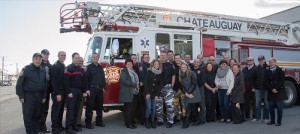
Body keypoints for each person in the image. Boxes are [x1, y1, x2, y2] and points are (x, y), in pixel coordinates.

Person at [16, 53, 47, 134]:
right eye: (36, 59)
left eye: (39, 59)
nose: (38, 60)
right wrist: (21, 96)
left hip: (39, 96)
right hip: (28, 96)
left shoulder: (42, 70)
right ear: (33, 59)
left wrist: (44, 96)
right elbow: (19, 84)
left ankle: (35, 131)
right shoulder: (26, 69)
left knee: (37, 116)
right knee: (28, 117)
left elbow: (44, 85)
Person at [64, 53, 85, 133]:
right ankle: (68, 128)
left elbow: (82, 81)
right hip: (72, 91)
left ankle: (74, 125)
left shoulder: (80, 69)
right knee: (71, 110)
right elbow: (66, 81)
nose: (78, 59)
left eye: (78, 58)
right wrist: (69, 92)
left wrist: (83, 91)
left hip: (79, 91)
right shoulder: (69, 68)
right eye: (76, 58)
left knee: (76, 109)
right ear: (72, 58)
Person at [85, 53, 106, 129]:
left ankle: (99, 122)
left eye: (96, 57)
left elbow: (103, 78)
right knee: (89, 107)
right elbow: (86, 79)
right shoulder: (88, 67)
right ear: (92, 58)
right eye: (94, 57)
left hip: (100, 89)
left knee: (100, 106)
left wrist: (103, 87)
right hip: (92, 89)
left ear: (98, 58)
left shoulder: (100, 67)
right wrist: (87, 89)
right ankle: (88, 123)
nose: (95, 58)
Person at [179, 62, 201, 129]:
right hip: (186, 92)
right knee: (189, 106)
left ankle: (186, 123)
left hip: (193, 91)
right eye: (182, 67)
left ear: (187, 67)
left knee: (190, 106)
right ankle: (197, 120)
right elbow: (181, 86)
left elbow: (194, 83)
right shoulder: (179, 75)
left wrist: (189, 92)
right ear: (180, 68)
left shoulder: (192, 73)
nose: (183, 68)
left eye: (185, 67)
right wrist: (186, 93)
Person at [156, 51, 175, 128]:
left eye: (164, 55)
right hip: (158, 88)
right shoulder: (157, 65)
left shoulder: (170, 65)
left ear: (166, 56)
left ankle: (170, 121)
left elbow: (173, 75)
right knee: (158, 105)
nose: (163, 56)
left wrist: (172, 85)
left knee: (169, 105)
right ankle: (160, 120)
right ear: (159, 56)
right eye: (161, 55)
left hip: (168, 87)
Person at [266, 58, 287, 126]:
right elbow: (266, 82)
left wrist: (276, 88)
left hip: (279, 90)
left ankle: (279, 121)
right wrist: (272, 89)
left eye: (273, 62)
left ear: (275, 62)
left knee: (279, 107)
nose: (271, 63)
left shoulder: (280, 70)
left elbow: (282, 81)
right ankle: (272, 121)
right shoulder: (268, 71)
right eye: (270, 62)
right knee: (271, 107)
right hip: (271, 91)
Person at [119, 59, 139, 129]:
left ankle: (132, 122)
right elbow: (124, 81)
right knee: (128, 109)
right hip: (127, 93)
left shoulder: (133, 72)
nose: (129, 65)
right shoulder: (124, 71)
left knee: (133, 109)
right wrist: (134, 85)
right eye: (128, 64)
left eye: (130, 63)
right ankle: (128, 124)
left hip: (134, 92)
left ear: (132, 64)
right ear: (125, 64)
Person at [144, 59, 163, 129]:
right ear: (153, 64)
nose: (156, 65)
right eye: (155, 64)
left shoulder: (160, 73)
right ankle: (147, 121)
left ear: (159, 65)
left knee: (154, 108)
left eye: (158, 64)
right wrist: (147, 93)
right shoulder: (149, 71)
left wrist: (157, 95)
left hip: (155, 94)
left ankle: (152, 122)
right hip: (148, 93)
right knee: (148, 107)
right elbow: (145, 82)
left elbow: (160, 85)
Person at [50, 51, 66, 134]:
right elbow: (54, 81)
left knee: (60, 110)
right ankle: (55, 128)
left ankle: (59, 126)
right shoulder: (55, 66)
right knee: (56, 111)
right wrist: (57, 94)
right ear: (58, 56)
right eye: (61, 55)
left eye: (64, 55)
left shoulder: (63, 65)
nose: (63, 56)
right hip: (58, 92)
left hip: (63, 92)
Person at [252, 55, 270, 124]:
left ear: (264, 60)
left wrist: (283, 69)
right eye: (259, 60)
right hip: (258, 89)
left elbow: (276, 70)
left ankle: (266, 118)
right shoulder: (256, 68)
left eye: (262, 60)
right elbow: (253, 79)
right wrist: (253, 87)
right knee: (257, 104)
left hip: (266, 89)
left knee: (266, 103)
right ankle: (257, 118)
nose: (261, 61)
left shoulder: (268, 67)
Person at [39, 49, 52, 133]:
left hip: (47, 91)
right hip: (39, 91)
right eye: (44, 54)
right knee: (38, 109)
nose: (46, 56)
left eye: (47, 54)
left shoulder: (50, 65)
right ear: (41, 55)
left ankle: (42, 126)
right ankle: (37, 126)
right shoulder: (37, 64)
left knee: (45, 109)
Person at [191, 58, 206, 125]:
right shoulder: (191, 70)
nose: (196, 63)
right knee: (194, 105)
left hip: (200, 88)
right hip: (192, 89)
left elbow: (202, 81)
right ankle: (195, 119)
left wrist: (196, 87)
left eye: (198, 62)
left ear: (200, 63)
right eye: (195, 62)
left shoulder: (202, 70)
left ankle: (202, 119)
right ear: (193, 62)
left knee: (201, 104)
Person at [138, 54, 150, 125]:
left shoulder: (148, 65)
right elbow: (142, 78)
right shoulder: (142, 66)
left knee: (146, 105)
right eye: (145, 57)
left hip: (147, 88)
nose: (147, 58)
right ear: (142, 59)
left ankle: (145, 119)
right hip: (144, 88)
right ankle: (143, 120)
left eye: (148, 57)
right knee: (143, 105)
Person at [173, 54, 185, 124]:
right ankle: (175, 117)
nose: (177, 59)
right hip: (175, 89)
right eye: (176, 58)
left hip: (183, 89)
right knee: (175, 104)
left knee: (183, 104)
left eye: (178, 58)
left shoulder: (184, 66)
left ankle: (184, 117)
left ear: (181, 58)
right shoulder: (173, 66)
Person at [76, 57, 86, 128]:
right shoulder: (74, 69)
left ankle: (78, 122)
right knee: (74, 108)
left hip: (82, 92)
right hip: (75, 91)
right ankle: (74, 123)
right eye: (79, 61)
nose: (81, 62)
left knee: (80, 108)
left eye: (82, 61)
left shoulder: (84, 69)